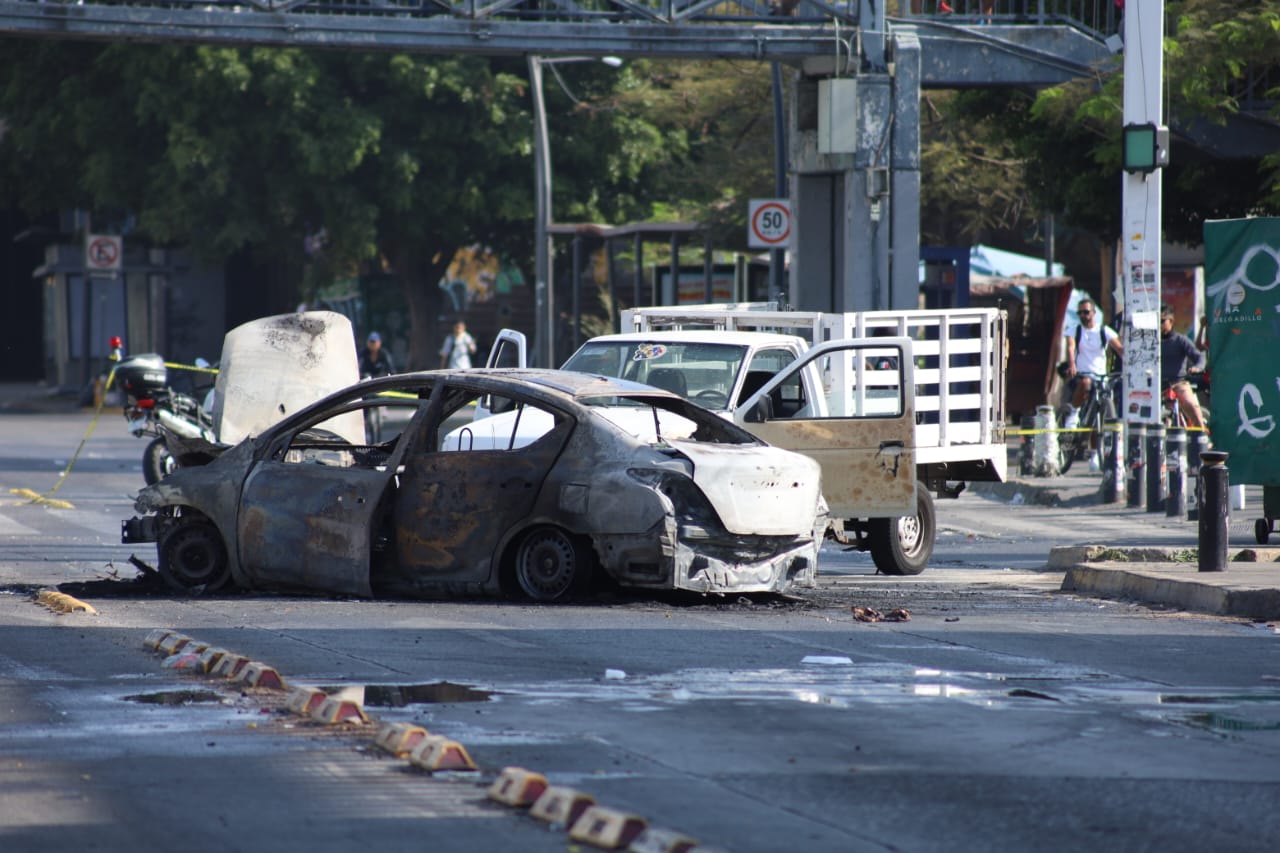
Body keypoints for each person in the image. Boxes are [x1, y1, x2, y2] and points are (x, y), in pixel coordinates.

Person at [1062, 297, 1123, 430]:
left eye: (1086, 312)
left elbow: (1119, 349)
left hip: (1100, 377)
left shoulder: (1104, 331)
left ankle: (1096, 450)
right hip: (1082, 374)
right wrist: (1072, 363)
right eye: (1080, 313)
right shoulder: (1074, 330)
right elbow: (1071, 347)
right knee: (1085, 382)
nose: (1083, 315)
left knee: (1098, 417)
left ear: (1094, 313)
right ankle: (1074, 412)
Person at [1160, 303, 1206, 430]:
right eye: (1156, 321)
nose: (1159, 324)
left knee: (1190, 403)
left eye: (1162, 321)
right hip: (1157, 386)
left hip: (1178, 383)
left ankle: (1201, 434)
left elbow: (1199, 357)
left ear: (1171, 321)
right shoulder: (1152, 343)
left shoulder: (1181, 340)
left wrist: (1198, 367)